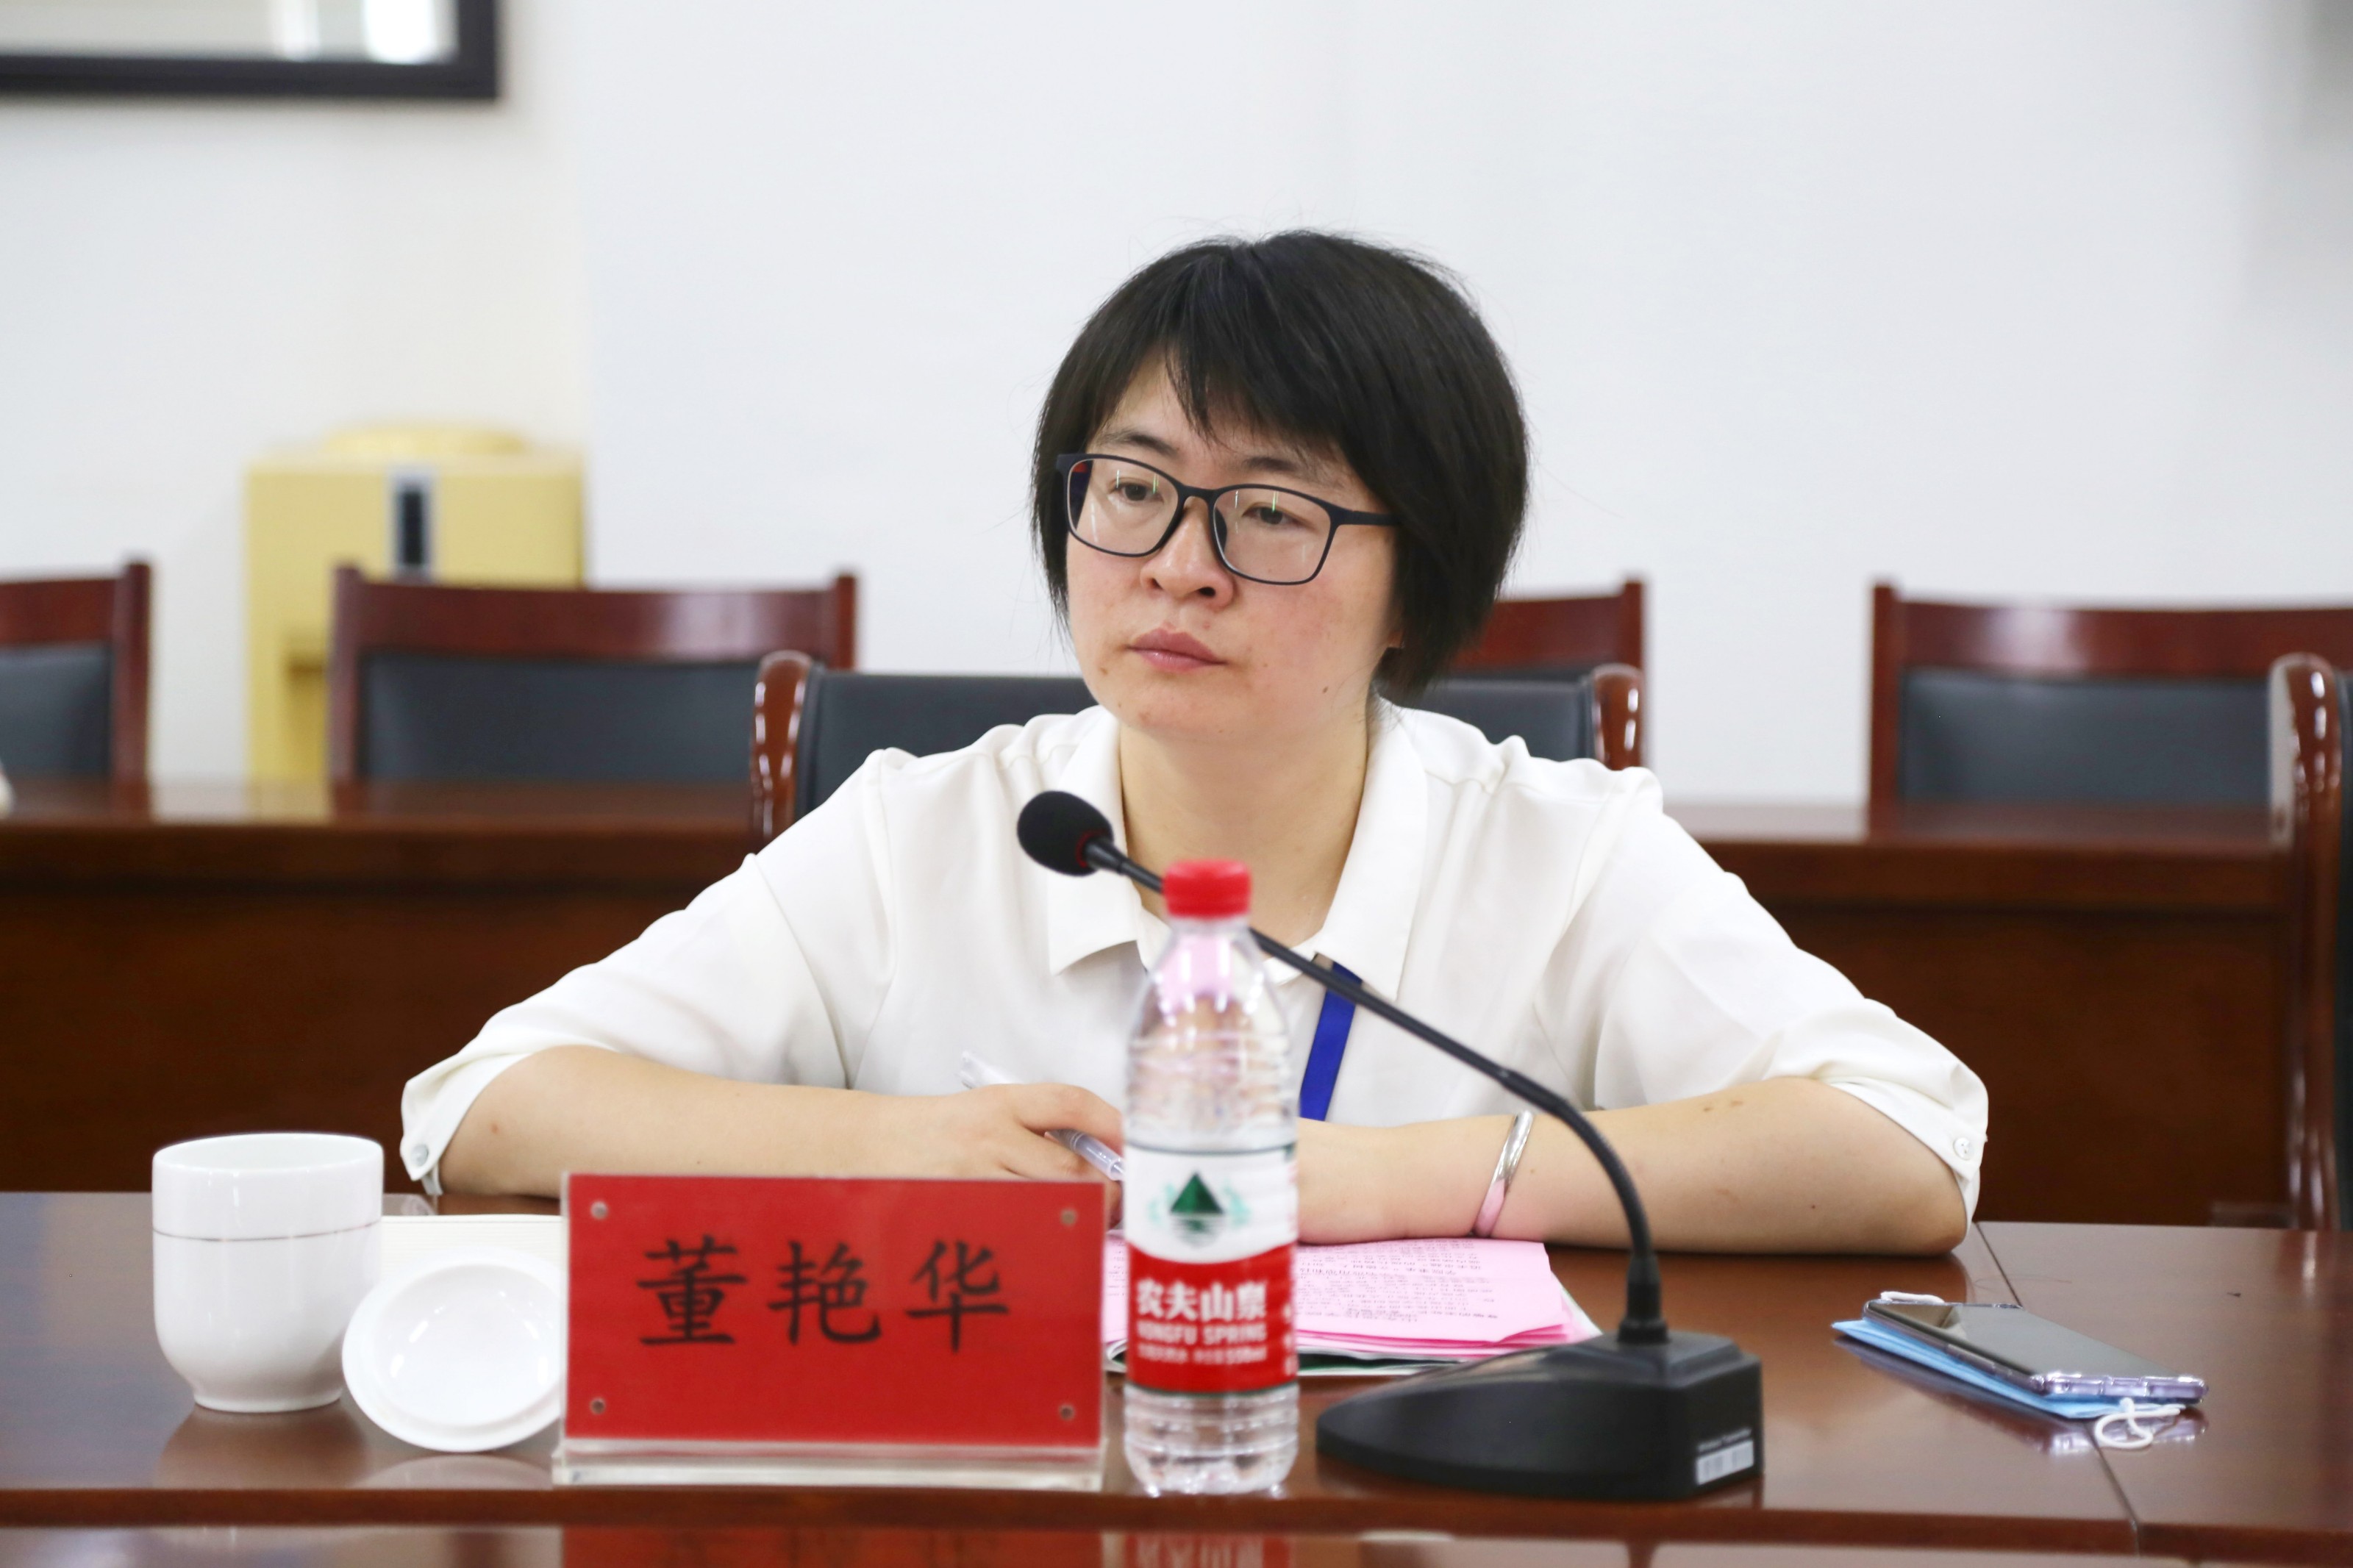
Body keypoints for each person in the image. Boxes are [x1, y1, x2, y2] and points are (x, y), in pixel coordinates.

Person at [404, 232, 1985, 1253]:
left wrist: (1401, 1178)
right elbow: (479, 1106)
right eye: (1133, 487)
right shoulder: (924, 831)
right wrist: (899, 1148)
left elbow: (1909, 1142)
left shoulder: (1556, 849)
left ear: (1418, 583)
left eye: (1271, 511)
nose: (1178, 564)